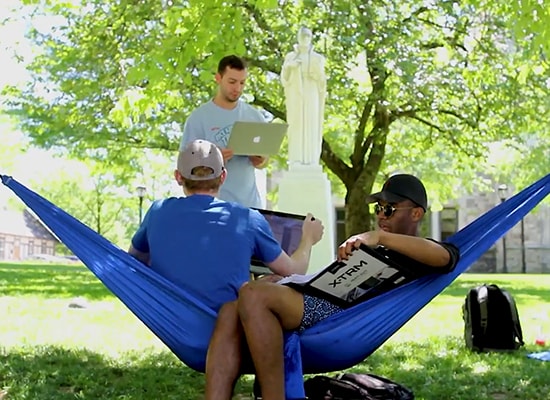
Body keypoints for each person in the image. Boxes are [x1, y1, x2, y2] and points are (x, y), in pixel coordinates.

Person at [205, 173, 460, 400]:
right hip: (318, 295)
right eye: (379, 208)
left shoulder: (419, 251)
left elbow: (446, 258)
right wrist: (285, 283)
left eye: (390, 209)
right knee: (231, 308)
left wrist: (379, 237)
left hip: (338, 315)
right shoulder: (379, 248)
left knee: (253, 293)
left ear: (416, 213)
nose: (381, 215)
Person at [127, 139, 324, 399]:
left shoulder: (157, 212)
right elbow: (295, 270)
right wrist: (308, 239)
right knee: (270, 283)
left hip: (181, 326)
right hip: (240, 328)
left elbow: (134, 263)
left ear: (178, 177)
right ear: (223, 176)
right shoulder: (247, 219)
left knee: (260, 286)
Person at [180, 55, 267, 208]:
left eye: (242, 83)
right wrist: (212, 158)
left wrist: (260, 160)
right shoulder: (199, 118)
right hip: (212, 207)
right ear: (218, 78)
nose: (237, 88)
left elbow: (264, 162)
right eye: (232, 82)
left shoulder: (254, 116)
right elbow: (185, 167)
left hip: (249, 207)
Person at [281, 27, 326, 166]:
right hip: (295, 93)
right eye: (303, 35)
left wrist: (317, 75)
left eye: (308, 36)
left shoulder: (318, 58)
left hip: (311, 92)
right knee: (296, 124)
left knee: (311, 123)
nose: (305, 38)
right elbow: (284, 78)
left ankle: (311, 159)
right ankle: (296, 159)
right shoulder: (290, 57)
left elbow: (322, 82)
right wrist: (290, 67)